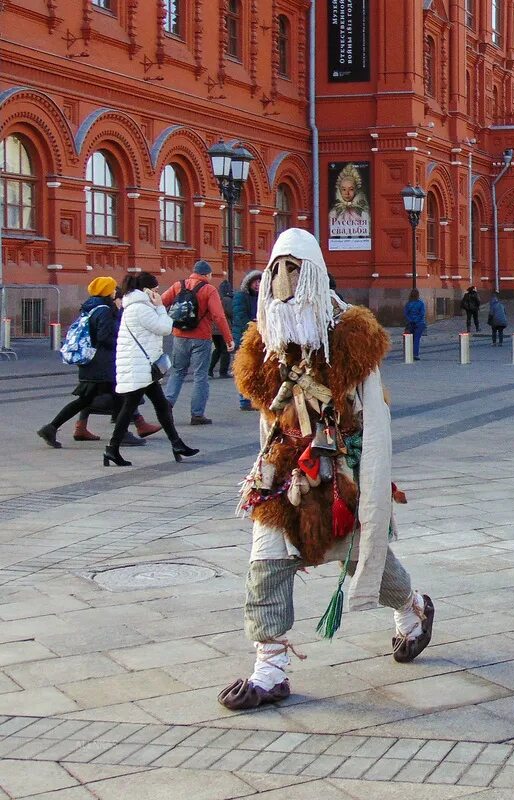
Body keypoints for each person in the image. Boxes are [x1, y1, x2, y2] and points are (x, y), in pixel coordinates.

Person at [220, 228, 433, 711]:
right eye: (275, 268)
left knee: (362, 560)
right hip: (284, 473)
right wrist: (266, 467)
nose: (281, 280)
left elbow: (376, 426)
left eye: (293, 269)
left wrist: (371, 491)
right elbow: (268, 421)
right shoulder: (268, 341)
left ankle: (413, 608)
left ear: (313, 273)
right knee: (265, 564)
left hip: (341, 473)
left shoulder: (351, 339)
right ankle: (270, 670)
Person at [38, 277, 161, 447]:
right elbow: (104, 337)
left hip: (93, 365)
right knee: (120, 396)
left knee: (86, 400)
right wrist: (122, 341)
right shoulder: (104, 310)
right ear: (108, 291)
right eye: (112, 288)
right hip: (103, 365)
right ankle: (123, 433)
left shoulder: (91, 306)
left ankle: (51, 428)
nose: (115, 291)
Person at [106, 273, 199, 467]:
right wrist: (160, 308)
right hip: (138, 367)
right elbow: (165, 328)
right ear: (146, 290)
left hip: (142, 367)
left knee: (160, 405)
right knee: (130, 407)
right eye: (155, 290)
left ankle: (176, 444)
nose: (157, 294)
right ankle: (112, 448)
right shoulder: (140, 308)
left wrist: (157, 307)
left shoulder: (136, 306)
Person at [161, 260, 234, 425]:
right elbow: (219, 316)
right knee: (200, 375)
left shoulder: (178, 285)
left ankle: (165, 408)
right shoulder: (209, 289)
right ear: (207, 274)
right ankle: (197, 414)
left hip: (179, 335)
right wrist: (228, 339)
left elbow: (162, 302)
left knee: (178, 372)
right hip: (201, 337)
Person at [232, 270, 262, 411]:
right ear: (248, 283)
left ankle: (255, 399)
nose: (258, 285)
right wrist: (253, 324)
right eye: (255, 282)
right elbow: (239, 317)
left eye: (260, 282)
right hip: (244, 338)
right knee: (246, 369)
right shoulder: (240, 297)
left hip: (260, 338)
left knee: (258, 370)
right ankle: (244, 400)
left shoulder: (263, 297)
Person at [209, 279, 235, 379]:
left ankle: (210, 370)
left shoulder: (216, 297)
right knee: (225, 350)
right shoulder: (227, 300)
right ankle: (223, 372)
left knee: (218, 349)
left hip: (213, 329)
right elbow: (231, 312)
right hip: (223, 328)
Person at [404, 289, 427, 360]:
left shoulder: (408, 304)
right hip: (419, 323)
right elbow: (422, 314)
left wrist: (411, 320)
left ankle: (409, 353)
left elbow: (406, 314)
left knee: (410, 339)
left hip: (410, 323)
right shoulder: (421, 303)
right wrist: (416, 320)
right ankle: (415, 354)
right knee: (417, 339)